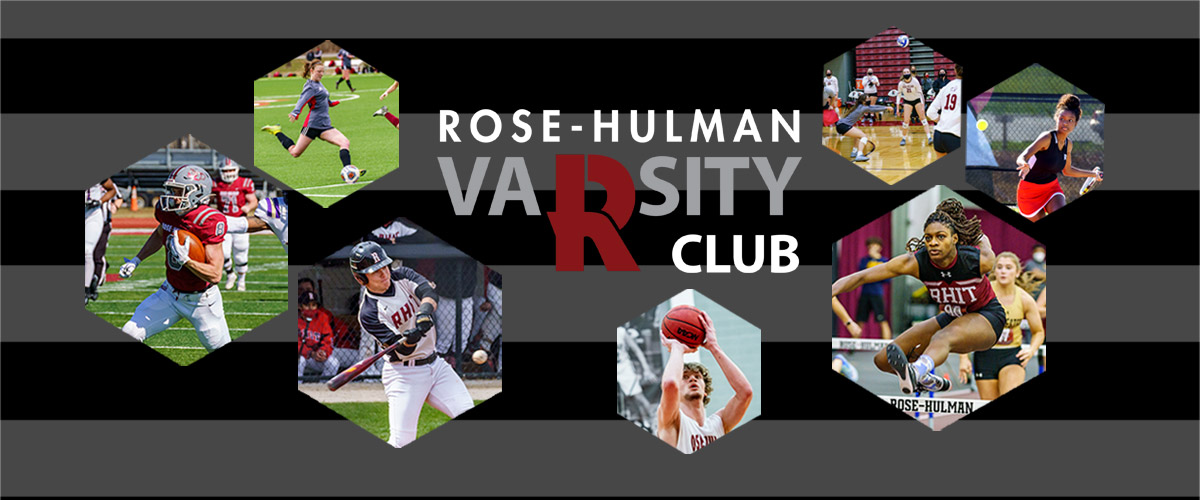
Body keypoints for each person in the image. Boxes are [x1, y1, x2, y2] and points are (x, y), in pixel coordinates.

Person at [832, 198, 1005, 395]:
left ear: (954, 239)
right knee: (883, 360)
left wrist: (975, 233)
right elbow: (862, 276)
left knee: (943, 336)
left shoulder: (976, 261)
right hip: (951, 316)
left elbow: (984, 245)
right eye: (928, 237)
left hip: (987, 317)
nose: (933, 243)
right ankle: (927, 379)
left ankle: (917, 370)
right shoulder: (916, 262)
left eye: (941, 237)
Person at [351, 241, 474, 448]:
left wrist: (423, 314)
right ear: (361, 278)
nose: (384, 274)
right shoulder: (369, 312)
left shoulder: (402, 275)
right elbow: (399, 352)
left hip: (437, 365)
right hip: (404, 375)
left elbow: (429, 293)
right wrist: (411, 340)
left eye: (384, 267)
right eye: (375, 272)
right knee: (402, 442)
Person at [117, 165, 231, 352]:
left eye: (178, 191)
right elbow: (160, 233)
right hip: (169, 293)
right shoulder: (167, 210)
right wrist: (136, 260)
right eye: (171, 190)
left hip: (201, 301)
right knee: (129, 332)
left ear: (197, 193)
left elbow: (215, 274)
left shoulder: (207, 220)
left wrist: (187, 261)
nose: (172, 196)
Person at [657, 309, 753, 454]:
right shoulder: (672, 421)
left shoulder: (720, 424)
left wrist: (714, 346)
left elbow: (745, 393)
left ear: (706, 391)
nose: (692, 378)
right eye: (685, 377)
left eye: (697, 377)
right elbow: (670, 384)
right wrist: (677, 347)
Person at [958, 252, 1045, 400]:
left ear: (1017, 272)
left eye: (1008, 267)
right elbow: (964, 327)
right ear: (994, 271)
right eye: (999, 267)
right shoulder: (982, 295)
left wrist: (1031, 350)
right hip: (985, 355)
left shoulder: (1025, 299)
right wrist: (963, 358)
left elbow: (1038, 332)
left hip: (1011, 356)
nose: (1003, 271)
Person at [261, 61, 364, 181]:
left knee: (345, 142)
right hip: (312, 125)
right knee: (295, 152)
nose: (321, 74)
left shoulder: (319, 84)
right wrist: (295, 112)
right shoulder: (310, 86)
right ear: (311, 71)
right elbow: (302, 99)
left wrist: (331, 103)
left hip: (325, 125)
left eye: (323, 72)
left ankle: (349, 170)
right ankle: (276, 131)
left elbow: (323, 98)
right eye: (319, 71)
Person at [1015, 94, 1103, 221]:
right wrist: (1023, 163)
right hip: (1029, 192)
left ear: (1076, 123)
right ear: (1056, 118)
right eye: (1062, 119)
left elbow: (1067, 170)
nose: (1065, 123)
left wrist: (1093, 174)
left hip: (1052, 188)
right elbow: (1023, 155)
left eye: (1070, 120)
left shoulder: (1069, 144)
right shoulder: (1047, 138)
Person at [211, 158, 257, 291]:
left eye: (231, 170)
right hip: (224, 221)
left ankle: (241, 280)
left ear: (236, 170)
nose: (229, 173)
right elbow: (208, 200)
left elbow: (253, 200)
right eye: (226, 170)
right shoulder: (216, 184)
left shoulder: (245, 182)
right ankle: (230, 274)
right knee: (223, 253)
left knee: (241, 252)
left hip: (241, 221)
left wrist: (248, 208)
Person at [85, 178, 118, 304]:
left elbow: (112, 190)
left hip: (91, 212)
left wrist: (99, 201)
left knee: (87, 251)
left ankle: (86, 289)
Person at [617, 326, 657, 430]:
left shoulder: (620, 332)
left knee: (638, 397)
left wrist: (646, 369)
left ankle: (654, 421)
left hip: (624, 368)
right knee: (628, 400)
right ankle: (643, 421)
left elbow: (637, 350)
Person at [835, 94, 891, 161]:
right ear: (863, 101)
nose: (869, 100)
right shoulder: (863, 108)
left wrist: (885, 107)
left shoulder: (860, 106)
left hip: (840, 125)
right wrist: (886, 108)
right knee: (864, 136)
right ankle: (859, 155)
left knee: (858, 135)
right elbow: (874, 109)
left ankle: (854, 151)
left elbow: (873, 106)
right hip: (843, 125)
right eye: (867, 99)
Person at [856, 237, 893, 340]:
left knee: (882, 319)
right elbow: (860, 276)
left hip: (877, 294)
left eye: (874, 245)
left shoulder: (884, 261)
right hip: (865, 294)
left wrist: (876, 260)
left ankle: (887, 344)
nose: (872, 248)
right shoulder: (864, 261)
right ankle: (853, 345)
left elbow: (888, 279)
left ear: (879, 247)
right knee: (860, 320)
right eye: (870, 246)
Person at [298, 290, 339, 378]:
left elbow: (328, 339)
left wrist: (323, 352)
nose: (310, 308)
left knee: (333, 363)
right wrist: (310, 353)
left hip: (317, 356)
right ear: (300, 306)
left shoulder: (322, 317)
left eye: (313, 305)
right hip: (303, 355)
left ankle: (322, 387)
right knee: (299, 360)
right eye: (307, 305)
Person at [925, 64, 963, 158]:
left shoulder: (946, 87)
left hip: (938, 135)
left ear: (955, 71)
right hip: (955, 136)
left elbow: (930, 112)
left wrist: (942, 121)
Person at [894, 68, 933, 146]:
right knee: (906, 121)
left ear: (910, 73)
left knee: (923, 119)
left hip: (917, 100)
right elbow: (898, 95)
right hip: (907, 101)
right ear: (902, 74)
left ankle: (929, 138)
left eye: (908, 72)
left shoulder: (915, 81)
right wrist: (897, 108)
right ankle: (904, 138)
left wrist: (922, 106)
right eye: (904, 72)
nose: (906, 73)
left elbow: (921, 93)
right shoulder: (901, 83)